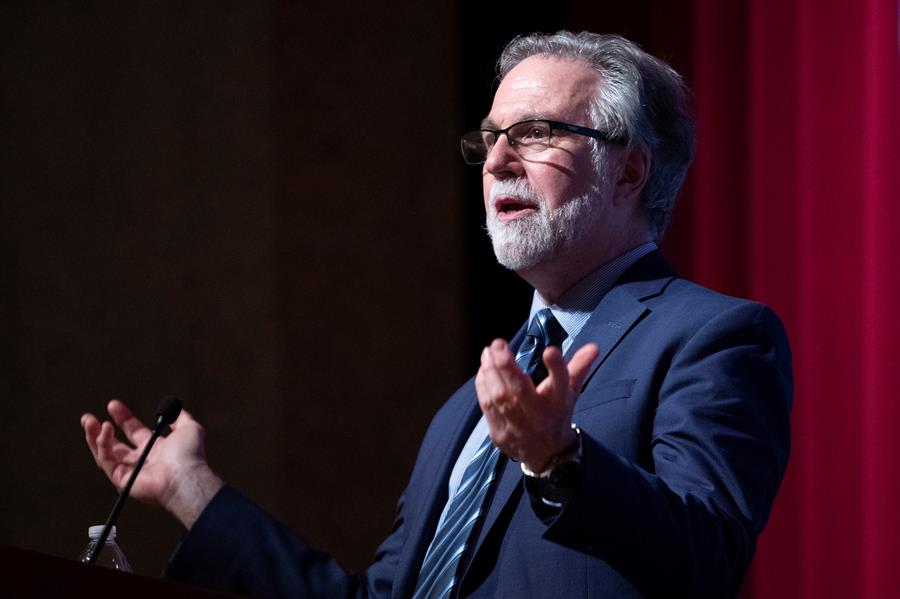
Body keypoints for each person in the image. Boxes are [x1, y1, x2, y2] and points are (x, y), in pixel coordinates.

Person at [81, 31, 792, 598]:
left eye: (536, 132)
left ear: (630, 171)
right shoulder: (466, 412)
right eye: (489, 138)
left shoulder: (710, 337)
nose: (498, 160)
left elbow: (705, 561)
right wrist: (192, 492)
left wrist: (560, 462)